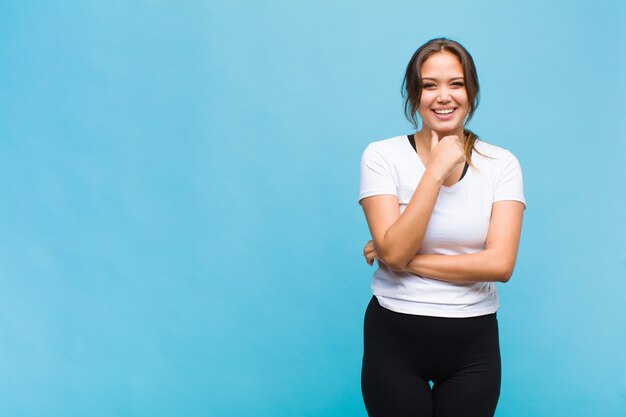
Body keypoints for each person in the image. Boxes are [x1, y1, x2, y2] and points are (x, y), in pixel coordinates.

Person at [358, 38, 526, 417]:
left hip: (473, 345)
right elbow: (396, 251)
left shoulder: (502, 164)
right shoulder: (381, 156)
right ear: (414, 94)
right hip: (394, 340)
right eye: (429, 85)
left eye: (456, 83)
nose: (443, 96)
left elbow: (500, 265)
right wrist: (434, 171)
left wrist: (397, 258)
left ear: (472, 91)